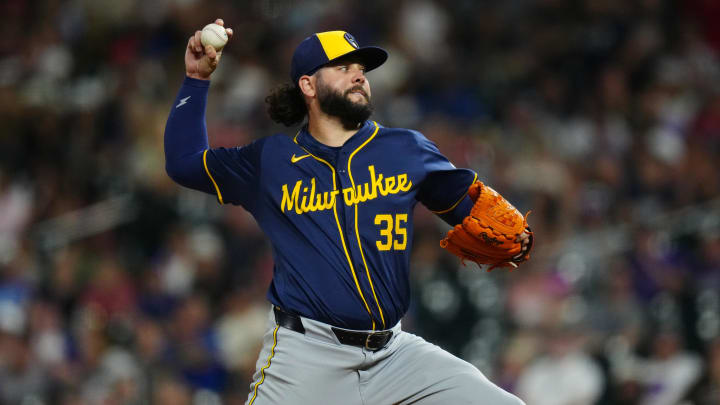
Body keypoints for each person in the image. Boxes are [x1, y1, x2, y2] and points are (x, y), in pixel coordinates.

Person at [164, 18, 528, 405]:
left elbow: (478, 212)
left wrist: (509, 232)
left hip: (395, 354)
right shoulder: (270, 161)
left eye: (361, 70)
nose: (358, 77)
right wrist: (196, 79)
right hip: (306, 357)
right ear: (308, 85)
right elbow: (184, 162)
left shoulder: (405, 150)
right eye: (343, 68)